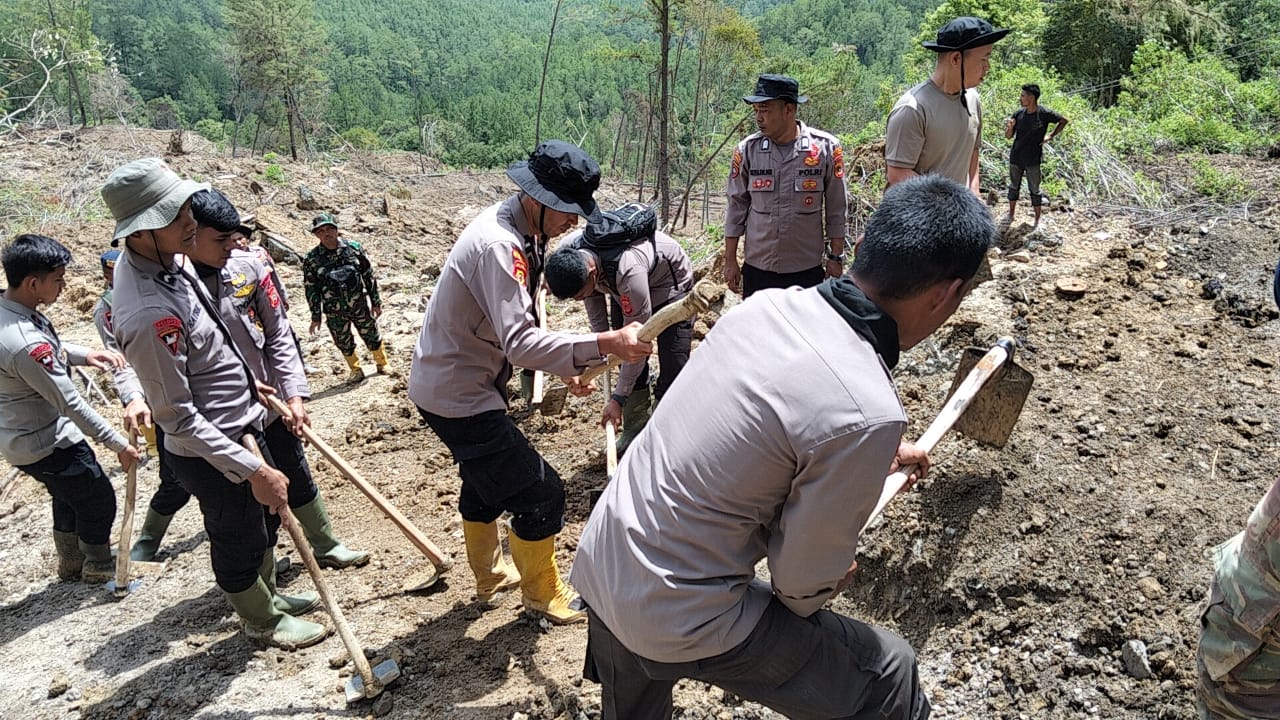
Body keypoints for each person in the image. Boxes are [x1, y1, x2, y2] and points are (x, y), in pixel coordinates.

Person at [571, 175, 995, 719]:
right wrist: (827, 574)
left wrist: (868, 460)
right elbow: (798, 590)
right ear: (946, 295)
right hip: (673, 609)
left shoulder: (762, 310)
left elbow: (754, 435)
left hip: (606, 559)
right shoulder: (867, 411)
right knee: (888, 674)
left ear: (863, 245)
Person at [407, 140, 651, 625]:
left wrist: (564, 364)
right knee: (542, 494)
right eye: (566, 212)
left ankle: (490, 577)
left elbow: (524, 319)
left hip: (459, 383)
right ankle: (543, 596)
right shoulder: (499, 246)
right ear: (537, 200)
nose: (573, 224)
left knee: (484, 482)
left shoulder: (526, 233)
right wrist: (603, 344)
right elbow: (520, 343)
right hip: (458, 393)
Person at [104, 157, 328, 650]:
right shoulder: (147, 312)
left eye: (186, 208)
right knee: (237, 533)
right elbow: (178, 417)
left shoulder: (168, 262)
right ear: (142, 231)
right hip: (214, 449)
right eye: (177, 215)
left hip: (243, 418)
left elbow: (220, 340)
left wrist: (255, 384)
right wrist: (251, 469)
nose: (191, 223)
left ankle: (269, 593)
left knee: (264, 518)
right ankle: (259, 618)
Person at [0, 234, 142, 584]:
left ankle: (71, 562)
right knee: (96, 496)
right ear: (34, 283)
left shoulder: (10, 312)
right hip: (45, 438)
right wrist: (117, 443)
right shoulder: (25, 345)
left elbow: (49, 347)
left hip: (20, 438)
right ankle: (98, 565)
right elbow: (69, 402)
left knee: (68, 495)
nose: (63, 287)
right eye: (59, 280)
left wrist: (84, 354)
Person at [544, 204, 694, 453]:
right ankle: (635, 430)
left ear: (591, 274)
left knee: (672, 365)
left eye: (580, 294)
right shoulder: (571, 252)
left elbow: (637, 342)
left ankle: (666, 438)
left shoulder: (628, 269)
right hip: (615, 286)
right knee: (622, 348)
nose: (579, 300)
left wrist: (618, 398)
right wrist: (599, 353)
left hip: (670, 289)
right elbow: (599, 320)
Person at [92, 248, 186, 562]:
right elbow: (116, 355)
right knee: (174, 480)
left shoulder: (166, 284)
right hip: (151, 390)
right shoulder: (108, 308)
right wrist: (133, 395)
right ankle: (147, 542)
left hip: (186, 384)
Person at [723, 74, 848, 298]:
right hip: (759, 267)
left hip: (806, 270)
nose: (759, 118)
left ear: (788, 110)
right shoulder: (747, 151)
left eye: (766, 110)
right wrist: (730, 259)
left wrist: (836, 257)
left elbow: (836, 208)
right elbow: (735, 208)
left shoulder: (825, 149)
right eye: (756, 111)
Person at [885, 17, 1010, 194]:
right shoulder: (913, 109)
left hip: (957, 214)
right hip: (917, 216)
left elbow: (972, 152)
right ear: (956, 58)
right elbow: (897, 174)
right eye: (984, 59)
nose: (987, 66)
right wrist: (950, 204)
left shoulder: (972, 99)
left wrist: (974, 197)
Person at [302, 213, 388, 382]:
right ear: (316, 235)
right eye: (321, 231)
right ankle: (355, 370)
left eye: (329, 229)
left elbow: (368, 276)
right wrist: (316, 316)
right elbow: (311, 288)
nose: (326, 233)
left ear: (336, 229)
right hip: (334, 310)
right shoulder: (312, 259)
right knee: (342, 340)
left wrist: (376, 302)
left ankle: (382, 362)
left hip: (359, 304)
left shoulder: (353, 248)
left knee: (371, 333)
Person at [1003, 84, 1068, 227]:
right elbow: (1008, 137)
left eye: (1023, 96)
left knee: (1035, 189)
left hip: (1033, 158)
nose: (1020, 99)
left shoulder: (1043, 113)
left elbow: (1063, 121)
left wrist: (1050, 135)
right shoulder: (1018, 114)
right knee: (1014, 186)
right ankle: (1011, 214)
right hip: (1016, 156)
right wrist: (1010, 127)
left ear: (1031, 97)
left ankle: (1037, 219)